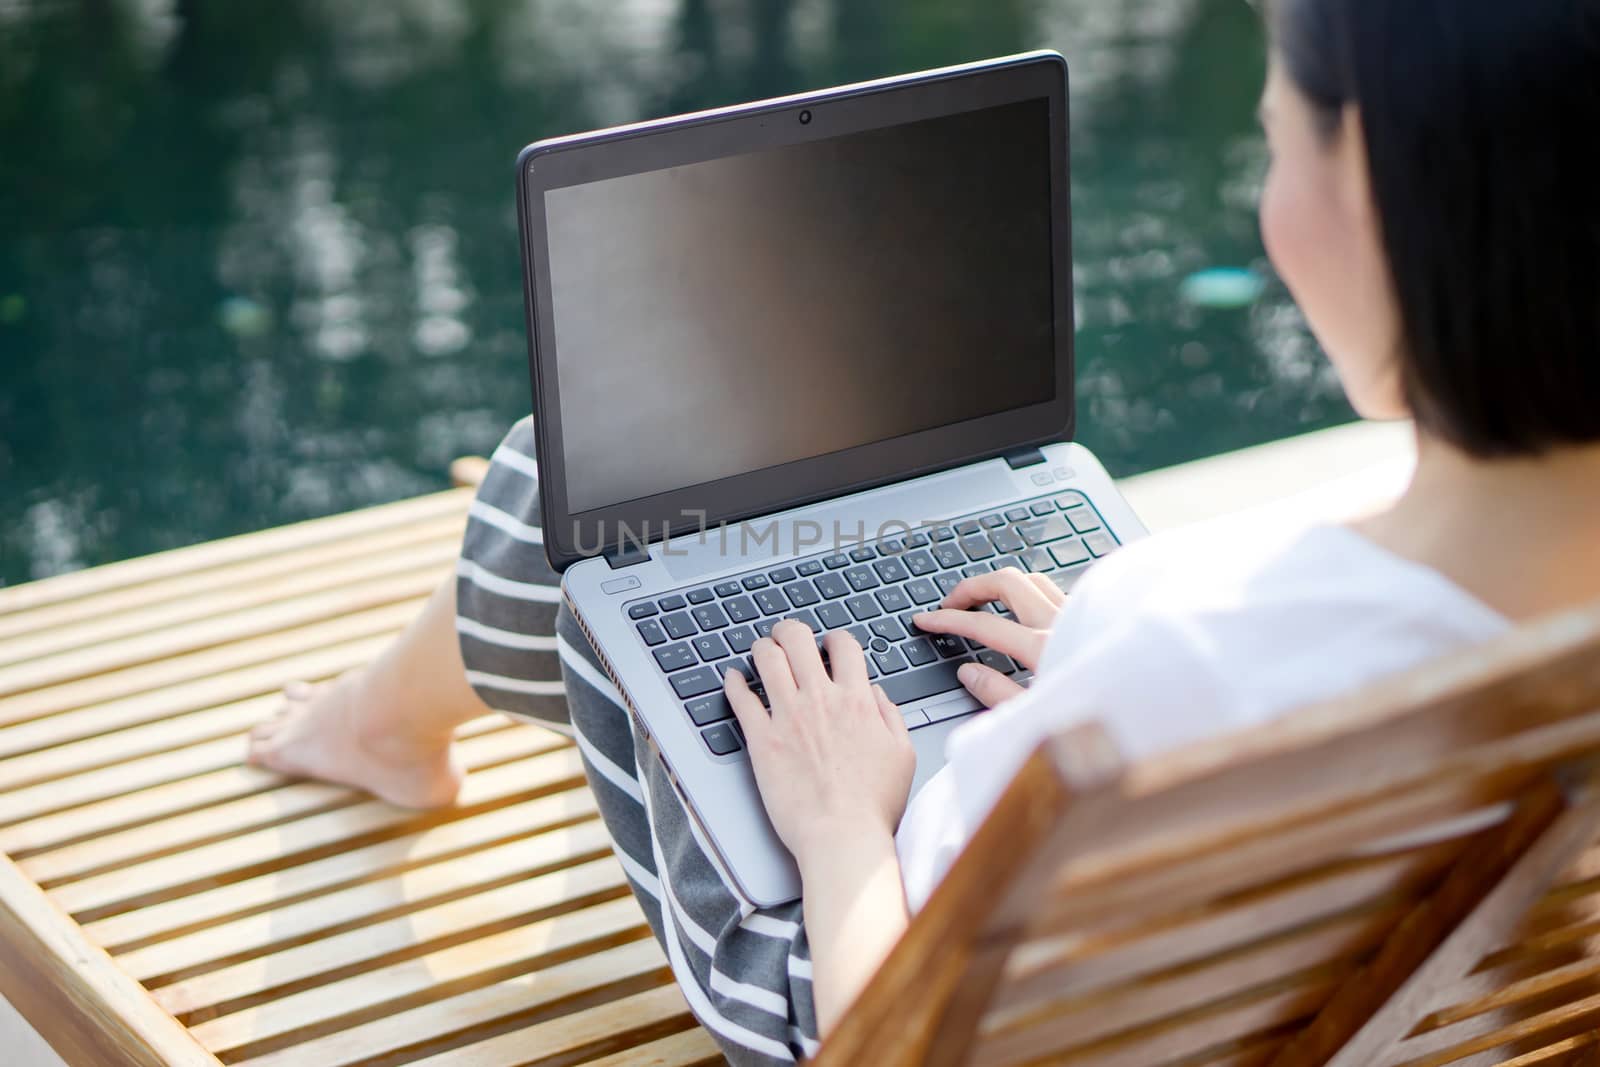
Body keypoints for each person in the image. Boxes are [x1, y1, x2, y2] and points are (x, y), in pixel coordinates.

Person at [247, 0, 1600, 1062]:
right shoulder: (1233, 650)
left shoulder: (1184, 641)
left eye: (1277, 142)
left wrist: (841, 819)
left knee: (580, 513)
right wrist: (1106, 680)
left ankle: (378, 730)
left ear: (1380, 193)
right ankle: (390, 723)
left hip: (854, 978)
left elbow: (881, 1041)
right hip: (1358, 1011)